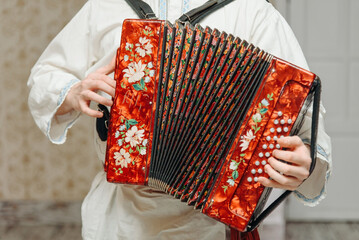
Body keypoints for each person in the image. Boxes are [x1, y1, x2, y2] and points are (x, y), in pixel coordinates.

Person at [27, 0, 332, 239]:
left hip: (213, 223)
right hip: (119, 219)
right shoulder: (105, 6)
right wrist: (75, 91)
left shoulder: (253, 12)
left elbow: (306, 123)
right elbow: (45, 78)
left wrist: (303, 161)